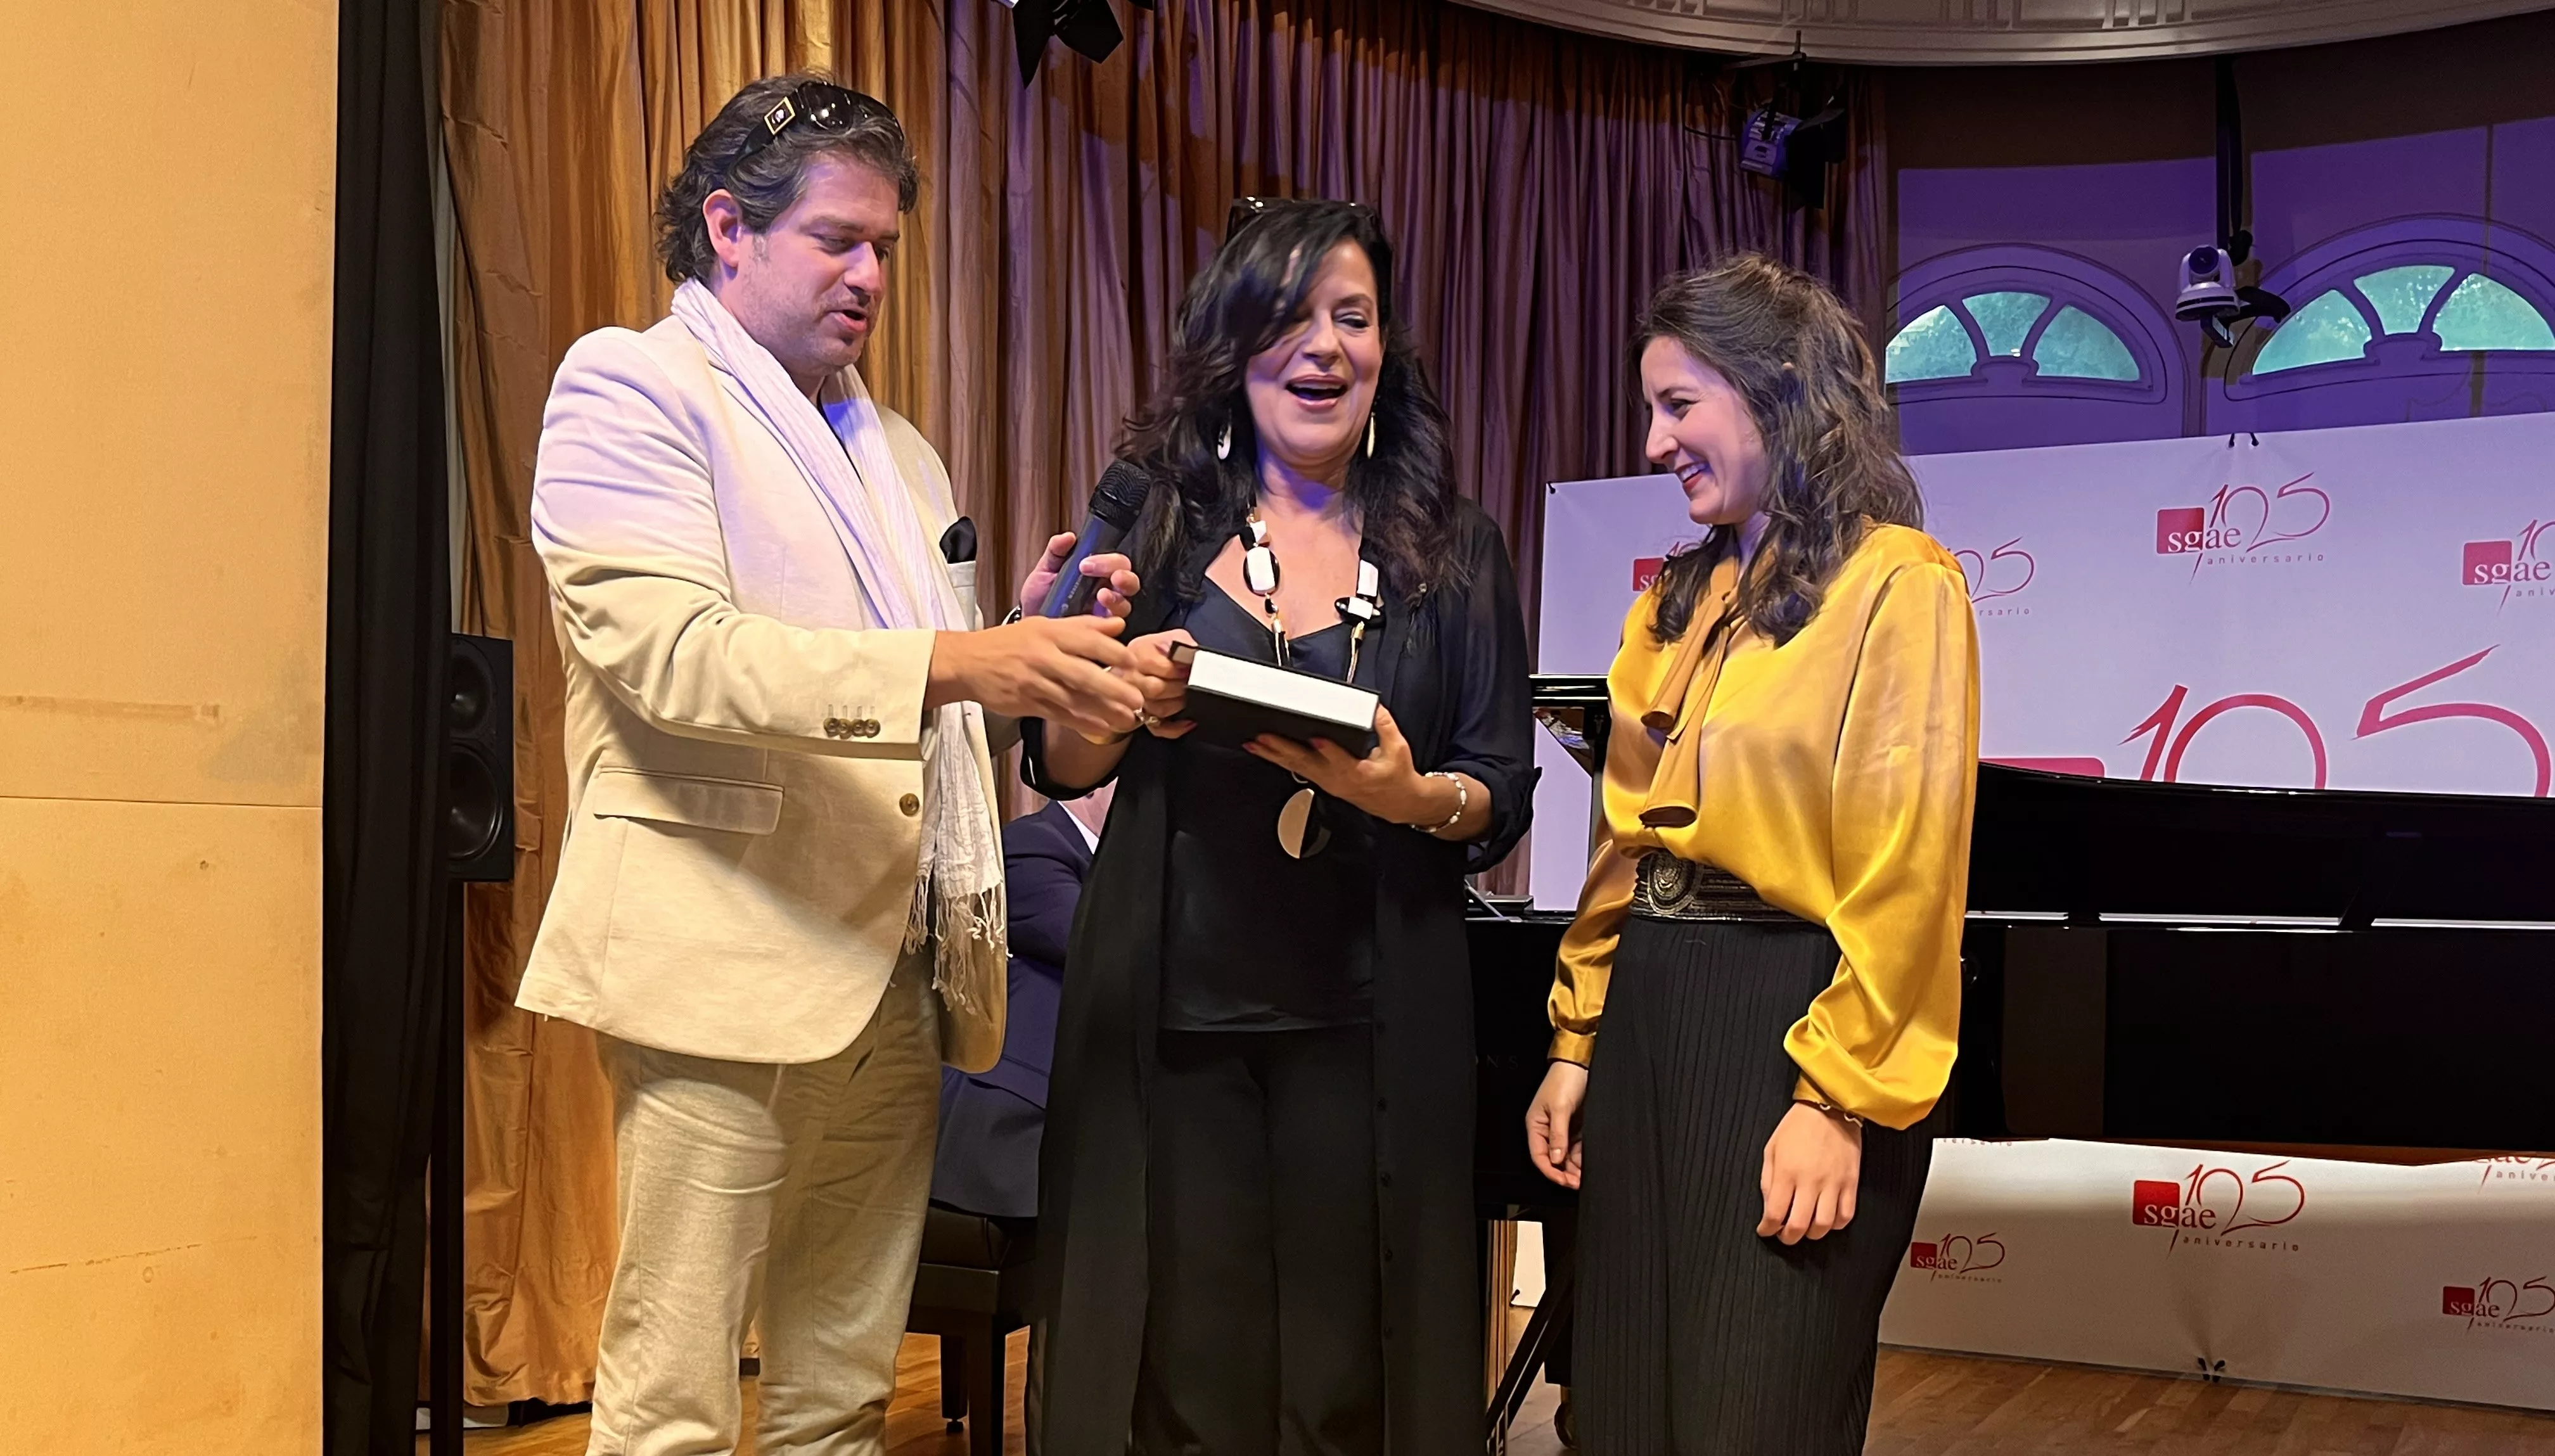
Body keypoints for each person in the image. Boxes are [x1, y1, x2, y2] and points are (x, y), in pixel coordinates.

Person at [513, 74, 1145, 1456]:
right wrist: (963, 661)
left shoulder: (898, 450)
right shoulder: (632, 384)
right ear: (728, 229)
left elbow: (930, 716)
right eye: (839, 242)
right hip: (719, 956)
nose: (871, 278)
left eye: (889, 252)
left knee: (840, 1394)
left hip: (896, 975)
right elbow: (681, 655)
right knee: (675, 1400)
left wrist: (1023, 643)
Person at [1022, 198, 1537, 1456]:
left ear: (1386, 349)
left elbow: (1497, 786)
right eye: (1289, 319)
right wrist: (1118, 696)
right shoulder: (1156, 525)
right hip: (1174, 1028)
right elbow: (1057, 753)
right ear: (1231, 347)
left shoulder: (1456, 549)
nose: (1324, 348)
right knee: (1191, 1381)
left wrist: (1412, 801)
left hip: (1373, 1034)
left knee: (1345, 1383)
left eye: (1352, 318)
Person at [1524, 255, 1980, 1456]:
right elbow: (1623, 846)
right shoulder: (1668, 599)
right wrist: (1576, 1040)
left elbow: (1907, 872)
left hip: (1791, 1013)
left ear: (1775, 389)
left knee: (1751, 1416)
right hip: (1650, 1017)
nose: (1654, 437)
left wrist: (1834, 1096)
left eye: (1678, 404)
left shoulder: (1901, 583)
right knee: (1617, 1413)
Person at [929, 782, 1113, 1456]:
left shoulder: (1100, 860)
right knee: (1115, 1226)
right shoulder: (1033, 848)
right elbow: (1107, 953)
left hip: (1065, 1112)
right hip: (1006, 1129)